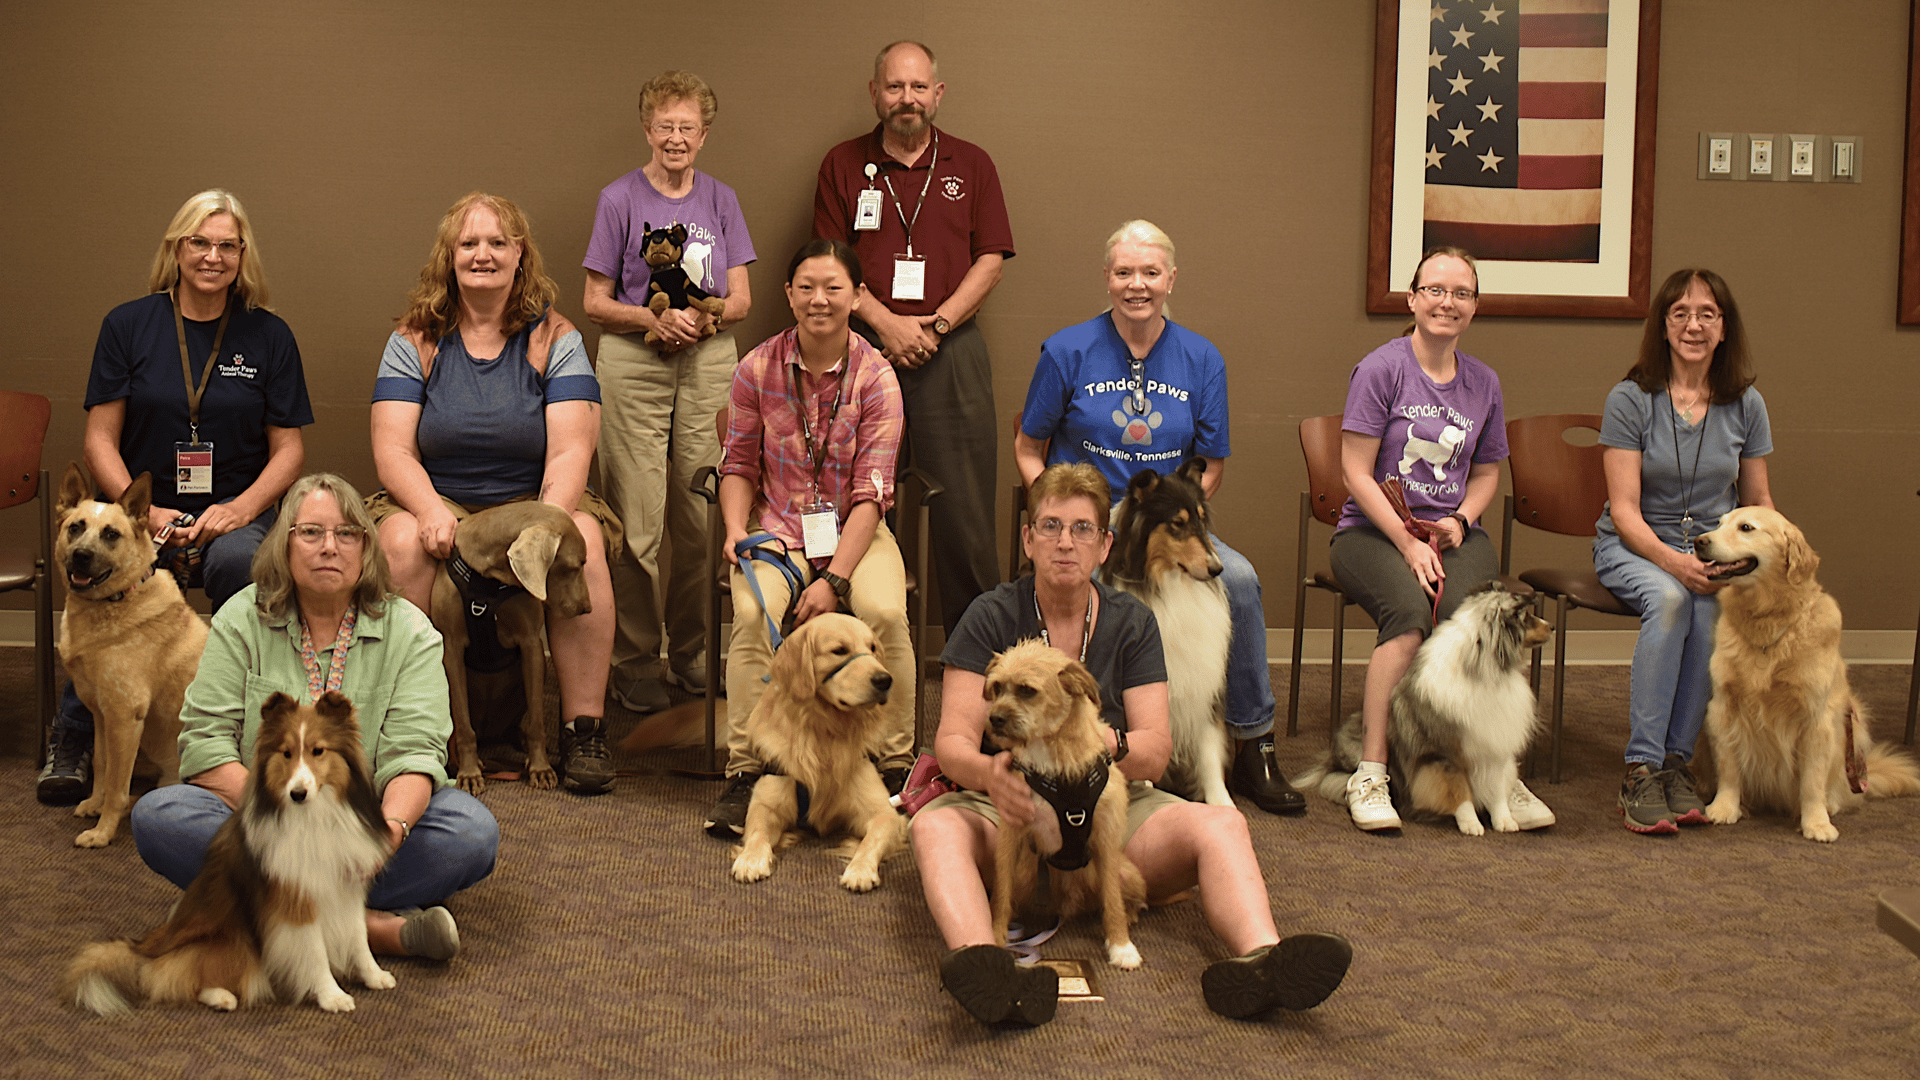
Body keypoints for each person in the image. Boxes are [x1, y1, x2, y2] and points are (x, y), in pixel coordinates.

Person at [911, 463, 1352, 1026]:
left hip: (1109, 814)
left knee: (1223, 826)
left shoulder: (1131, 621)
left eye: (1082, 529)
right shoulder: (990, 614)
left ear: (1105, 544)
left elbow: (1154, 750)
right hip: (1009, 807)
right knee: (934, 827)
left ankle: (1262, 962)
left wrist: (1107, 741)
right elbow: (952, 741)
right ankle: (988, 968)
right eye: (1049, 526)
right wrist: (989, 776)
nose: (1065, 543)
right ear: (1028, 539)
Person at [129, 474, 498, 960]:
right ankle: (368, 928)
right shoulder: (241, 618)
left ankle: (255, 911)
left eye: (347, 534)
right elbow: (205, 743)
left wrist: (384, 837)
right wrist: (281, 821)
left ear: (367, 549)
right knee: (161, 816)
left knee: (470, 831)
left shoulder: (412, 632)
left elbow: (416, 753)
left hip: (364, 828)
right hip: (266, 820)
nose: (330, 547)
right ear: (283, 545)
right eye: (311, 532)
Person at [1014, 220, 1299, 816]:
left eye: (1149, 273)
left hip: (1165, 519)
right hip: (1090, 516)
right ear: (1107, 278)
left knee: (1239, 582)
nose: (1136, 285)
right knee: (1091, 586)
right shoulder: (1067, 350)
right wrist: (1055, 516)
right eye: (1123, 272)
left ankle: (1253, 741)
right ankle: (1085, 736)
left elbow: (1212, 462)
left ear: (1170, 279)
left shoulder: (1200, 357)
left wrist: (1183, 520)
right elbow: (1028, 446)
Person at [38, 189, 312, 806]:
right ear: (177, 248)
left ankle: (231, 737)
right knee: (102, 576)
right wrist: (145, 514)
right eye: (199, 242)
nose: (212, 257)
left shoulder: (268, 335)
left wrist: (240, 509)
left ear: (243, 255)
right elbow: (100, 438)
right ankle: (75, 738)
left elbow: (289, 451)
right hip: (138, 512)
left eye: (226, 246)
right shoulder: (128, 325)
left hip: (235, 509)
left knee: (240, 562)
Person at [369, 192, 621, 794]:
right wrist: (431, 512)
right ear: (449, 257)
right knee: (400, 544)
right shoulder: (415, 338)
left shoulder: (555, 336)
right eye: (469, 243)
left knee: (579, 537)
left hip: (531, 497)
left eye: (497, 243)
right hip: (442, 499)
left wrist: (544, 527)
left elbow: (569, 451)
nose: (483, 254)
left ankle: (583, 729)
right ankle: (418, 730)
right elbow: (393, 451)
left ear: (519, 255)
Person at [702, 239, 916, 838]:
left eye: (834, 288)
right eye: (807, 287)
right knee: (752, 615)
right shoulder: (756, 368)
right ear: (789, 294)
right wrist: (736, 532)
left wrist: (836, 581)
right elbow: (738, 463)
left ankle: (894, 763)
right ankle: (749, 770)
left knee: (883, 612)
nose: (819, 300)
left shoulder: (878, 378)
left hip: (855, 533)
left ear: (856, 297)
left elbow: (873, 494)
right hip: (777, 530)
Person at [1331, 246, 1550, 833]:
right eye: (1435, 290)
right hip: (1372, 531)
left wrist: (1459, 521)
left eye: (1461, 293)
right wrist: (1407, 543)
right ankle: (1372, 771)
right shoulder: (1382, 368)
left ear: (1474, 306)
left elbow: (1485, 474)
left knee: (1481, 623)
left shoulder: (1483, 382)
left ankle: (1500, 773)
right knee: (1408, 617)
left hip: (1451, 532)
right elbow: (1354, 470)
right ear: (1413, 298)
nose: (1447, 302)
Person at [813, 40, 1013, 636]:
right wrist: (887, 324)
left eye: (918, 87)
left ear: (938, 93)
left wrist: (939, 323)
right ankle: (855, 644)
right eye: (895, 87)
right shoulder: (842, 164)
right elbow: (829, 264)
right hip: (864, 349)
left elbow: (992, 258)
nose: (907, 99)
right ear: (874, 93)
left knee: (966, 511)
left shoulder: (971, 164)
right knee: (857, 499)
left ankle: (977, 658)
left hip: (953, 351)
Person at [584, 69, 756, 715]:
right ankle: (633, 661)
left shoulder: (721, 200)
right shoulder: (618, 199)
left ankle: (690, 657)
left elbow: (741, 297)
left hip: (709, 362)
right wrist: (652, 318)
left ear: (704, 134)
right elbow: (594, 301)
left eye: (688, 127)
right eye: (665, 126)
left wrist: (704, 317)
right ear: (647, 129)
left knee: (701, 517)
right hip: (634, 364)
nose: (676, 138)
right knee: (637, 522)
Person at [1595, 268, 1773, 834]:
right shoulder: (1630, 398)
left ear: (1724, 329)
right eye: (1680, 314)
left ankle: (1677, 766)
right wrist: (1676, 562)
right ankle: (1640, 768)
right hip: (1635, 544)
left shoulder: (1746, 404)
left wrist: (1748, 563)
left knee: (1709, 610)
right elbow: (1623, 511)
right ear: (1663, 327)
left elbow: (1759, 500)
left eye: (1707, 314)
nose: (1693, 325)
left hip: (1713, 548)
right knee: (1673, 600)